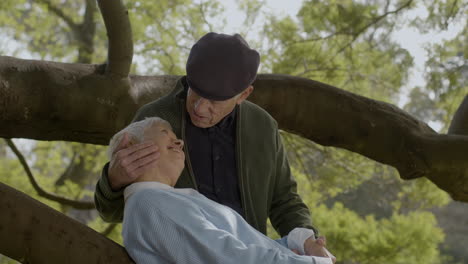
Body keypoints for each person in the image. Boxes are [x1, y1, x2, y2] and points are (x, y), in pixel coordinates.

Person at [95, 32, 321, 242]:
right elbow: (113, 212)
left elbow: (284, 201)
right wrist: (115, 181)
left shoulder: (263, 127)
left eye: (214, 100)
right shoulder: (153, 121)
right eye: (195, 92)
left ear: (243, 94)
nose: (200, 108)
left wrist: (307, 241)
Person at [114, 117, 335, 264]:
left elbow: (238, 249)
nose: (179, 142)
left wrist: (301, 244)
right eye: (165, 133)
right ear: (131, 145)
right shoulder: (150, 203)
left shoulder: (164, 202)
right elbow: (230, 259)